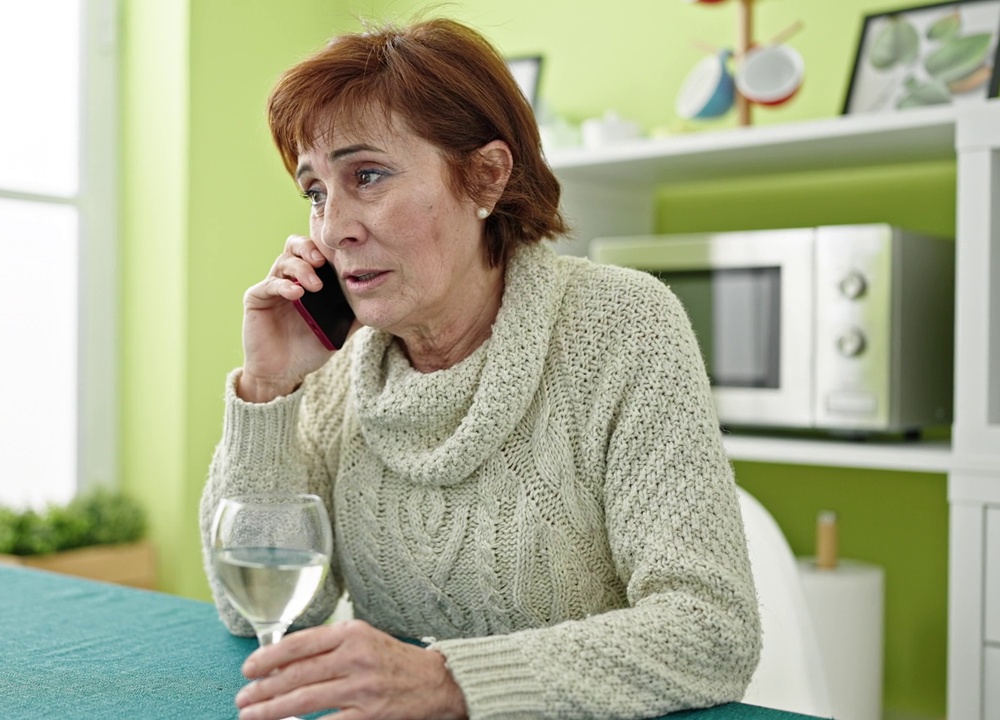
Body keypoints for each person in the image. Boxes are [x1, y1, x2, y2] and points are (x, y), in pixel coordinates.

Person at [199, 16, 761, 720]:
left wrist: (449, 683)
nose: (333, 225)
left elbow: (712, 632)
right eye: (315, 191)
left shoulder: (624, 326)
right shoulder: (340, 365)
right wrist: (267, 388)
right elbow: (258, 609)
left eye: (366, 175)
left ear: (486, 176)